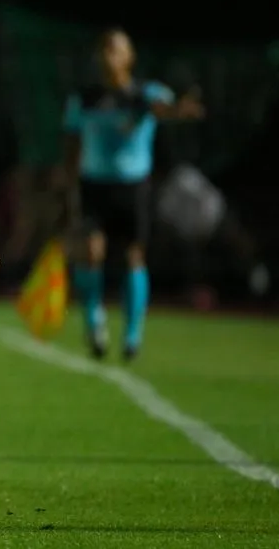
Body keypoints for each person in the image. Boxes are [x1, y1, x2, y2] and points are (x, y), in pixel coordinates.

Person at [62, 28, 204, 361]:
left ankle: (132, 334)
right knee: (91, 251)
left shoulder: (147, 94)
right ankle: (95, 322)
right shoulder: (84, 99)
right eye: (104, 49)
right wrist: (68, 190)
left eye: (116, 49)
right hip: (94, 185)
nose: (109, 55)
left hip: (134, 187)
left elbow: (164, 109)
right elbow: (71, 144)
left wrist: (180, 110)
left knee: (132, 256)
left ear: (130, 57)